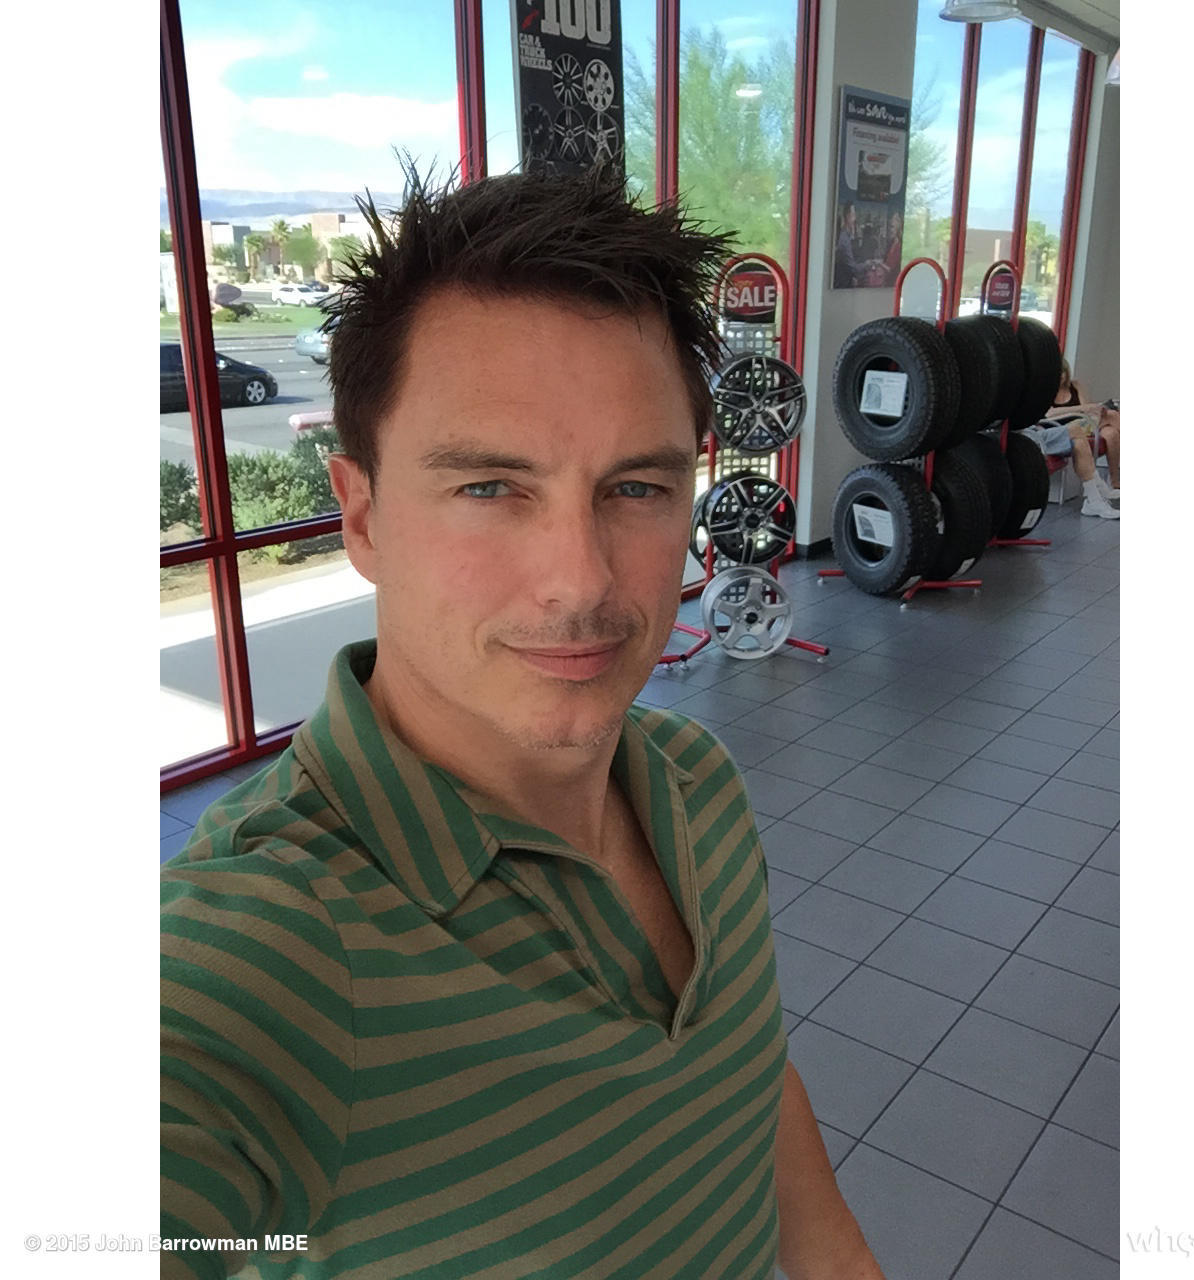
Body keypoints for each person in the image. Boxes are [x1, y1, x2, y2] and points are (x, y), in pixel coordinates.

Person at [161, 164, 886, 1280]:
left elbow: (748, 1089)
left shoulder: (696, 782)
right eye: (490, 487)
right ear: (362, 516)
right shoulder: (268, 949)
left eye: (636, 487)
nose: (580, 580)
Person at [1023, 357, 1120, 519]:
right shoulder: (1043, 389)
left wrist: (1092, 410)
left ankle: (1093, 500)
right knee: (1087, 428)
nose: (1061, 376)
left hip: (1074, 426)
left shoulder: (1075, 386)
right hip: (1049, 428)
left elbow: (1087, 411)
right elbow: (1049, 414)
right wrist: (1084, 408)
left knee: (1089, 437)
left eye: (1063, 372)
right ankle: (1099, 489)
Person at [833, 202, 857, 288]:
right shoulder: (844, 239)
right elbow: (852, 267)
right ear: (847, 216)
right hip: (843, 284)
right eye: (853, 215)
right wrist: (867, 265)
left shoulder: (848, 236)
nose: (855, 218)